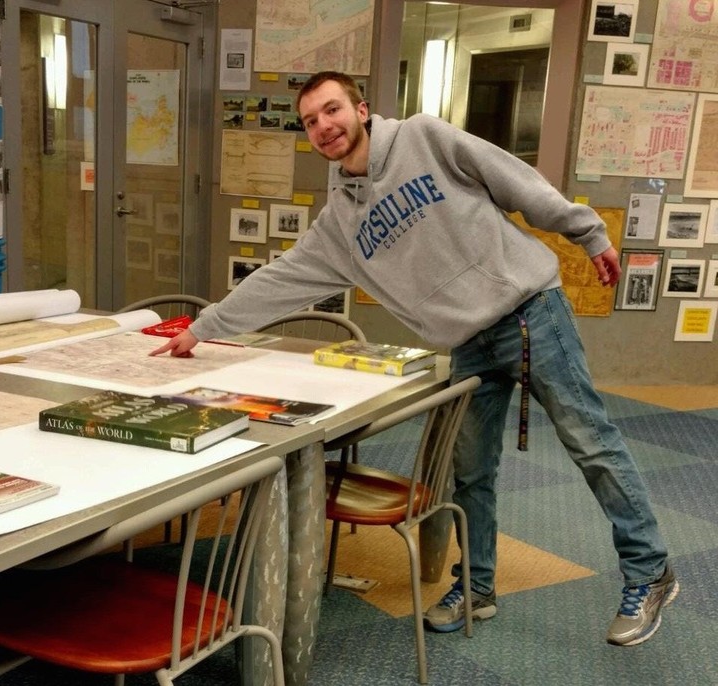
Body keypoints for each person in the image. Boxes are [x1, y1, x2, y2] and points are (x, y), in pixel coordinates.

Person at [151, 71, 677, 646]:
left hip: (531, 313)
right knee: (471, 473)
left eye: (332, 110)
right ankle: (477, 586)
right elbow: (279, 279)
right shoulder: (339, 225)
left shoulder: (425, 138)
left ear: (361, 108)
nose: (324, 126)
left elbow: (515, 180)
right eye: (311, 121)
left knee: (592, 444)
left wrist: (588, 232)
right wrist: (204, 327)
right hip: (469, 342)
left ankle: (650, 571)